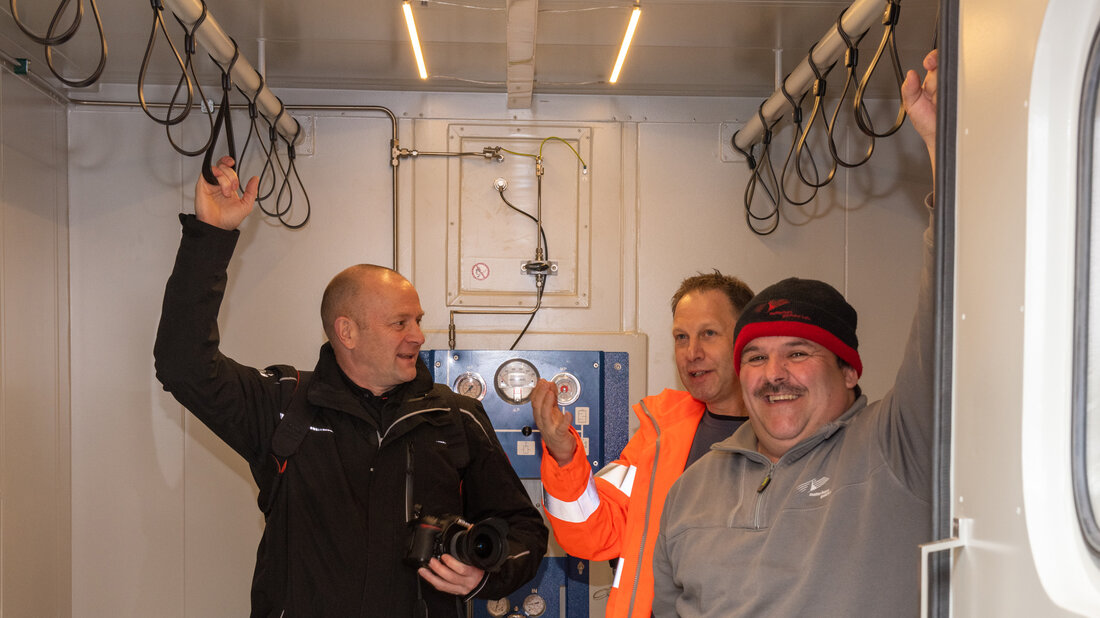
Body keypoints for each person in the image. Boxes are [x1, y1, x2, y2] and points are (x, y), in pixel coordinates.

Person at [153, 160, 548, 618]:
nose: (418, 336)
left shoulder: (454, 418)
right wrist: (210, 237)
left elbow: (525, 531)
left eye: (418, 320)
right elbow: (183, 366)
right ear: (347, 331)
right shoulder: (282, 405)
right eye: (400, 322)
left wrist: (487, 575)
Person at [651, 49, 940, 617]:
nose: (772, 375)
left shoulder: (897, 446)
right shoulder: (694, 486)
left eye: (799, 353)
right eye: (754, 356)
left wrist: (950, 154)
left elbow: (949, 313)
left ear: (849, 369)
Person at [530, 271, 754, 618]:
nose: (691, 352)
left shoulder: (785, 435)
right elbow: (592, 534)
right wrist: (564, 456)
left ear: (745, 340)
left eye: (709, 334)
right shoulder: (661, 434)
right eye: (681, 337)